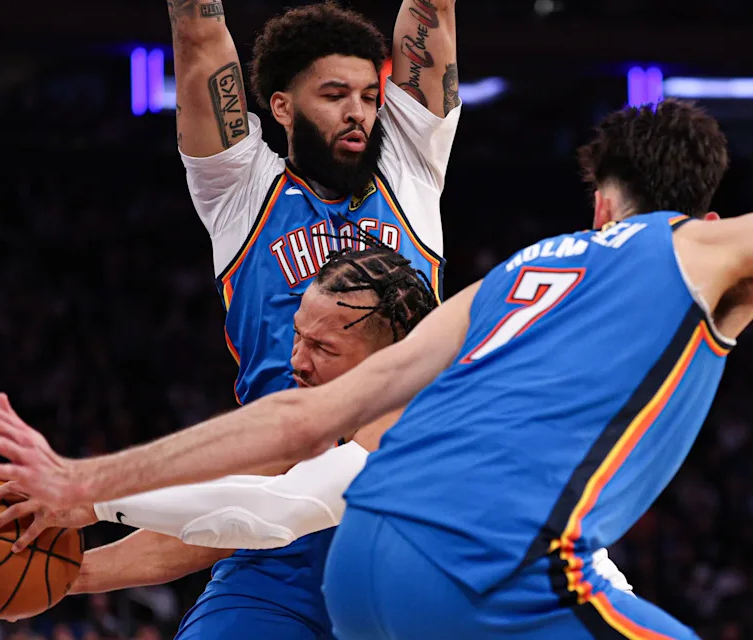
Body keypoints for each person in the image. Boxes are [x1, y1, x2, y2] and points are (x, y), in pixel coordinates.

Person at [0, 99, 753, 638]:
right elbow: (276, 500)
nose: (297, 362)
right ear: (707, 216)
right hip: (481, 568)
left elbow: (289, 443)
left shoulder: (507, 280)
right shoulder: (708, 246)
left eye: (318, 345)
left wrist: (88, 486)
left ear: (596, 207)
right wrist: (88, 496)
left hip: (364, 571)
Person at [32, 0, 459, 637]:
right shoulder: (242, 190)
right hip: (270, 542)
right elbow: (198, 32)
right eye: (335, 94)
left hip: (408, 530)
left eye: (370, 95)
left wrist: (87, 509)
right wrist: (69, 572)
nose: (358, 112)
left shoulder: (412, 169)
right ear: (281, 106)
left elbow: (432, 10)